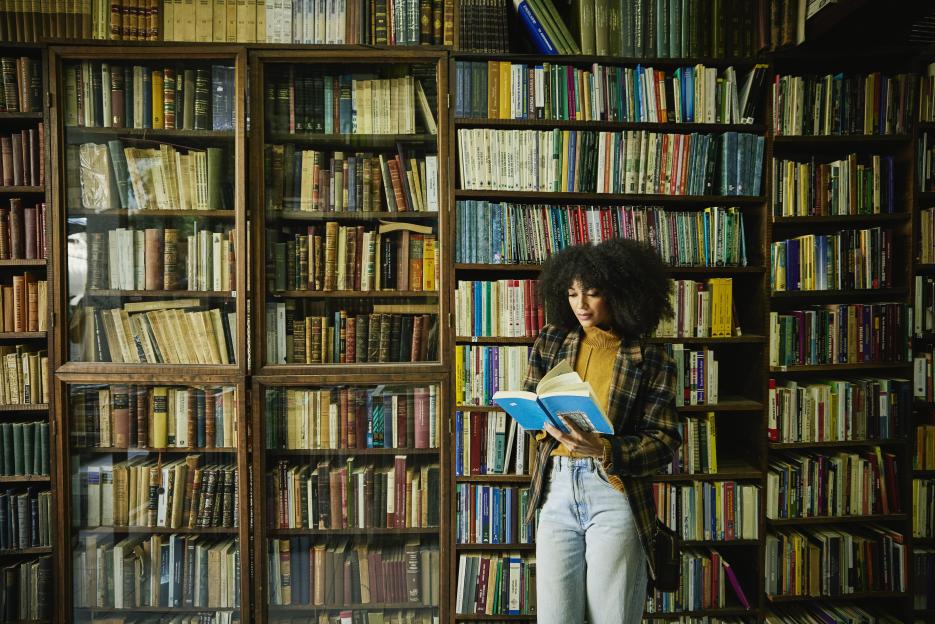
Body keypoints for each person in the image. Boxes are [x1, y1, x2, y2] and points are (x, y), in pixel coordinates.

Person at [524, 238, 682, 624]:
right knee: (555, 617)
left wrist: (604, 448)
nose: (580, 304)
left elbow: (664, 441)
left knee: (611, 616)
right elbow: (531, 400)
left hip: (613, 491)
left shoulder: (651, 358)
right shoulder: (551, 340)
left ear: (622, 294)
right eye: (573, 293)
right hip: (556, 490)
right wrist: (540, 423)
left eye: (593, 294)